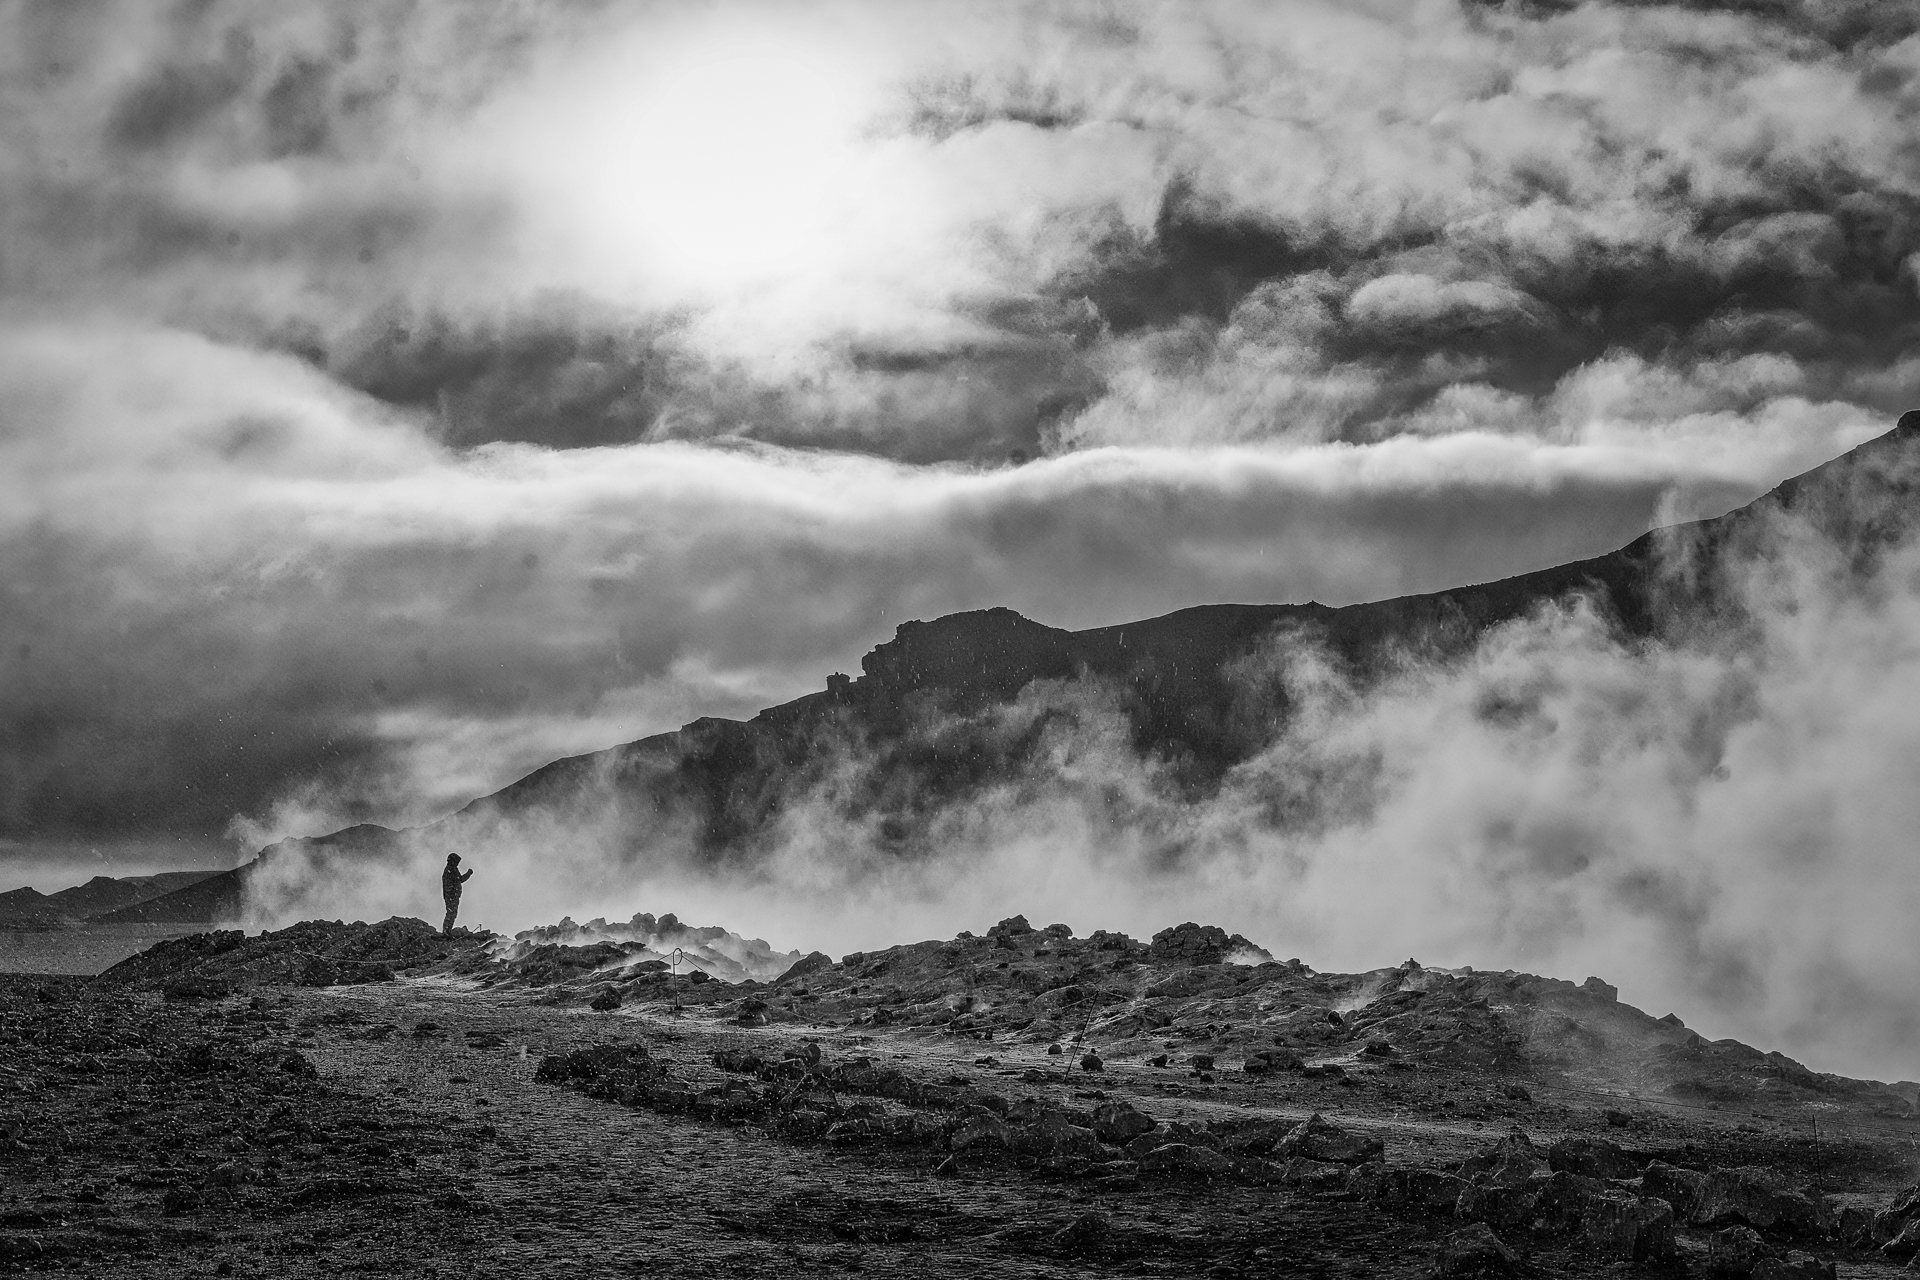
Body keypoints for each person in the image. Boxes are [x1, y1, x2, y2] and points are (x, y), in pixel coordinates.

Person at [441, 853, 473, 937]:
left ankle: (447, 931)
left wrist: (468, 874)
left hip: (453, 896)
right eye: (456, 861)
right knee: (451, 913)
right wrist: (468, 874)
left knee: (452, 913)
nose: (458, 863)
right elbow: (459, 880)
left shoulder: (452, 869)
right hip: (451, 896)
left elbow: (459, 880)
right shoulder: (450, 870)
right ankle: (446, 932)